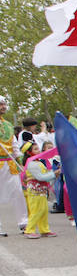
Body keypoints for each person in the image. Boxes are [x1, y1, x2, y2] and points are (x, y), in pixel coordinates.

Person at [19, 140, 59, 238]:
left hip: (41, 190)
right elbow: (40, 177)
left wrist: (53, 174)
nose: (38, 150)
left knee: (44, 210)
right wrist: (53, 174)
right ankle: (29, 230)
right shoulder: (31, 163)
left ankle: (44, 229)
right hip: (34, 191)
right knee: (36, 210)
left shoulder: (37, 162)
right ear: (28, 152)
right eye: (35, 149)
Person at [0, 100, 23, 236]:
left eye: (4, 104)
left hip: (10, 164)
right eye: (0, 104)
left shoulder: (8, 125)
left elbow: (14, 145)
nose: (3, 107)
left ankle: (23, 222)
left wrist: (19, 160)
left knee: (18, 192)